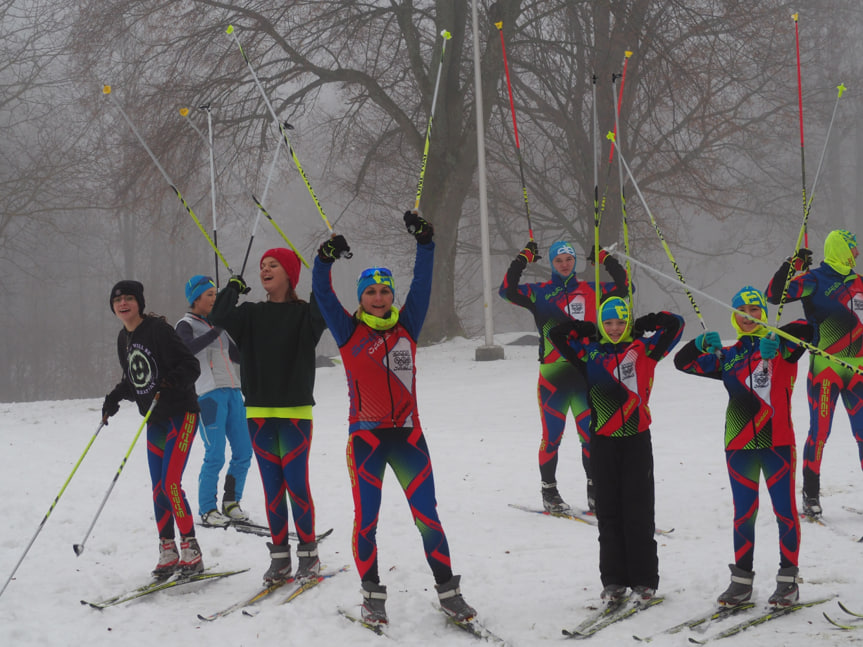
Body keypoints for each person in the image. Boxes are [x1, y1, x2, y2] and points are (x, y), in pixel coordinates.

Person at [311, 211, 476, 627]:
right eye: (372, 293)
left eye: (385, 291)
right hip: (365, 439)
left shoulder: (408, 325)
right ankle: (371, 595)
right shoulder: (348, 332)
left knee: (428, 517)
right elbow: (322, 292)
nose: (380, 298)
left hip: (408, 438)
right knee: (367, 521)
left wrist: (425, 242)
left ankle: (449, 592)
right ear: (362, 298)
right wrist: (324, 258)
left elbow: (424, 283)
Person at [674, 287, 812, 607]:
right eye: (741, 311)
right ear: (733, 315)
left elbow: (809, 328)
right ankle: (741, 582)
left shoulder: (783, 350)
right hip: (739, 446)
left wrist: (777, 336)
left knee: (785, 512)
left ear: (762, 313)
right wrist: (697, 345)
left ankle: (788, 581)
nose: (748, 317)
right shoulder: (728, 355)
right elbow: (682, 363)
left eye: (754, 310)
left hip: (777, 443)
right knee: (744, 514)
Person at [549, 296, 683, 602]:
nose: (613, 328)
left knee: (638, 512)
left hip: (636, 439)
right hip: (603, 442)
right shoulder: (588, 353)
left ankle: (644, 580)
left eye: (620, 322)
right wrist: (581, 327)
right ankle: (613, 580)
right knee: (609, 513)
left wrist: (645, 322)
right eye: (607, 322)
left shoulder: (644, 350)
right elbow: (558, 336)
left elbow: (675, 325)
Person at [210, 249, 326, 584]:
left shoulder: (305, 315)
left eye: (273, 265)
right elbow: (219, 316)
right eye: (262, 266)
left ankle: (308, 555)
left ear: (290, 273)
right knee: (273, 489)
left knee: (297, 486)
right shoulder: (250, 314)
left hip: (295, 414)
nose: (265, 270)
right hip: (259, 413)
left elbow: (325, 303)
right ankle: (280, 559)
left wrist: (322, 266)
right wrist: (232, 287)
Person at [499, 240, 629, 514]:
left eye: (569, 259)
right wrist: (523, 258)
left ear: (576, 261)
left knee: (590, 436)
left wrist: (605, 257)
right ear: (552, 263)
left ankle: (596, 491)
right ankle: (550, 491)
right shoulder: (540, 293)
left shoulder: (591, 290)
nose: (565, 264)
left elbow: (626, 288)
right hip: (553, 377)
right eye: (559, 260)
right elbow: (506, 291)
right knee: (552, 437)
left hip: (584, 375)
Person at [101, 280, 204, 579]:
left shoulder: (158, 330)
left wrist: (172, 380)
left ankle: (191, 549)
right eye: (118, 300)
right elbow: (136, 380)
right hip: (155, 420)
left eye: (129, 299)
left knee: (171, 482)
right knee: (159, 488)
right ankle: (168, 549)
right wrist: (115, 398)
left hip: (181, 414)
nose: (123, 304)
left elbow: (190, 365)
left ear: (139, 303)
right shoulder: (124, 338)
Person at [765, 230, 863, 518]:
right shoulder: (814, 279)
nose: (856, 255)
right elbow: (773, 296)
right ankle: (810, 493)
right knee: (820, 432)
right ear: (841, 249)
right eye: (853, 249)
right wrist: (790, 266)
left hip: (857, 370)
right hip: (826, 371)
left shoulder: (858, 283)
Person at [176, 275, 253, 528]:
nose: (213, 299)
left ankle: (231, 501)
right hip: (208, 395)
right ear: (195, 298)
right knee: (215, 454)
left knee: (243, 451)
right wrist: (217, 329)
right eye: (209, 295)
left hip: (233, 393)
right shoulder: (185, 324)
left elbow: (239, 356)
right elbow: (186, 350)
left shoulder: (219, 327)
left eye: (215, 295)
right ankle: (207, 508)